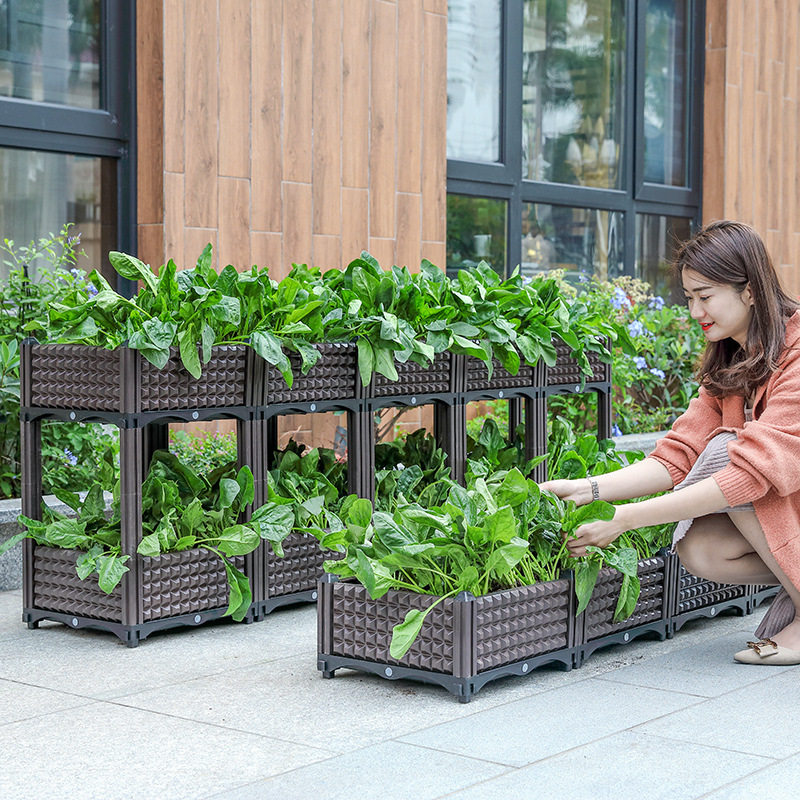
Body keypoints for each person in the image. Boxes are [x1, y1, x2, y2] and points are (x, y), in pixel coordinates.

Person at [541, 220, 800, 665]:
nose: (696, 311)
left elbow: (750, 473)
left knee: (731, 456)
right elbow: (678, 454)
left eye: (705, 296)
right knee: (700, 550)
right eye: (688, 298)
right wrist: (589, 490)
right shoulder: (731, 362)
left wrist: (624, 519)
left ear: (750, 290)